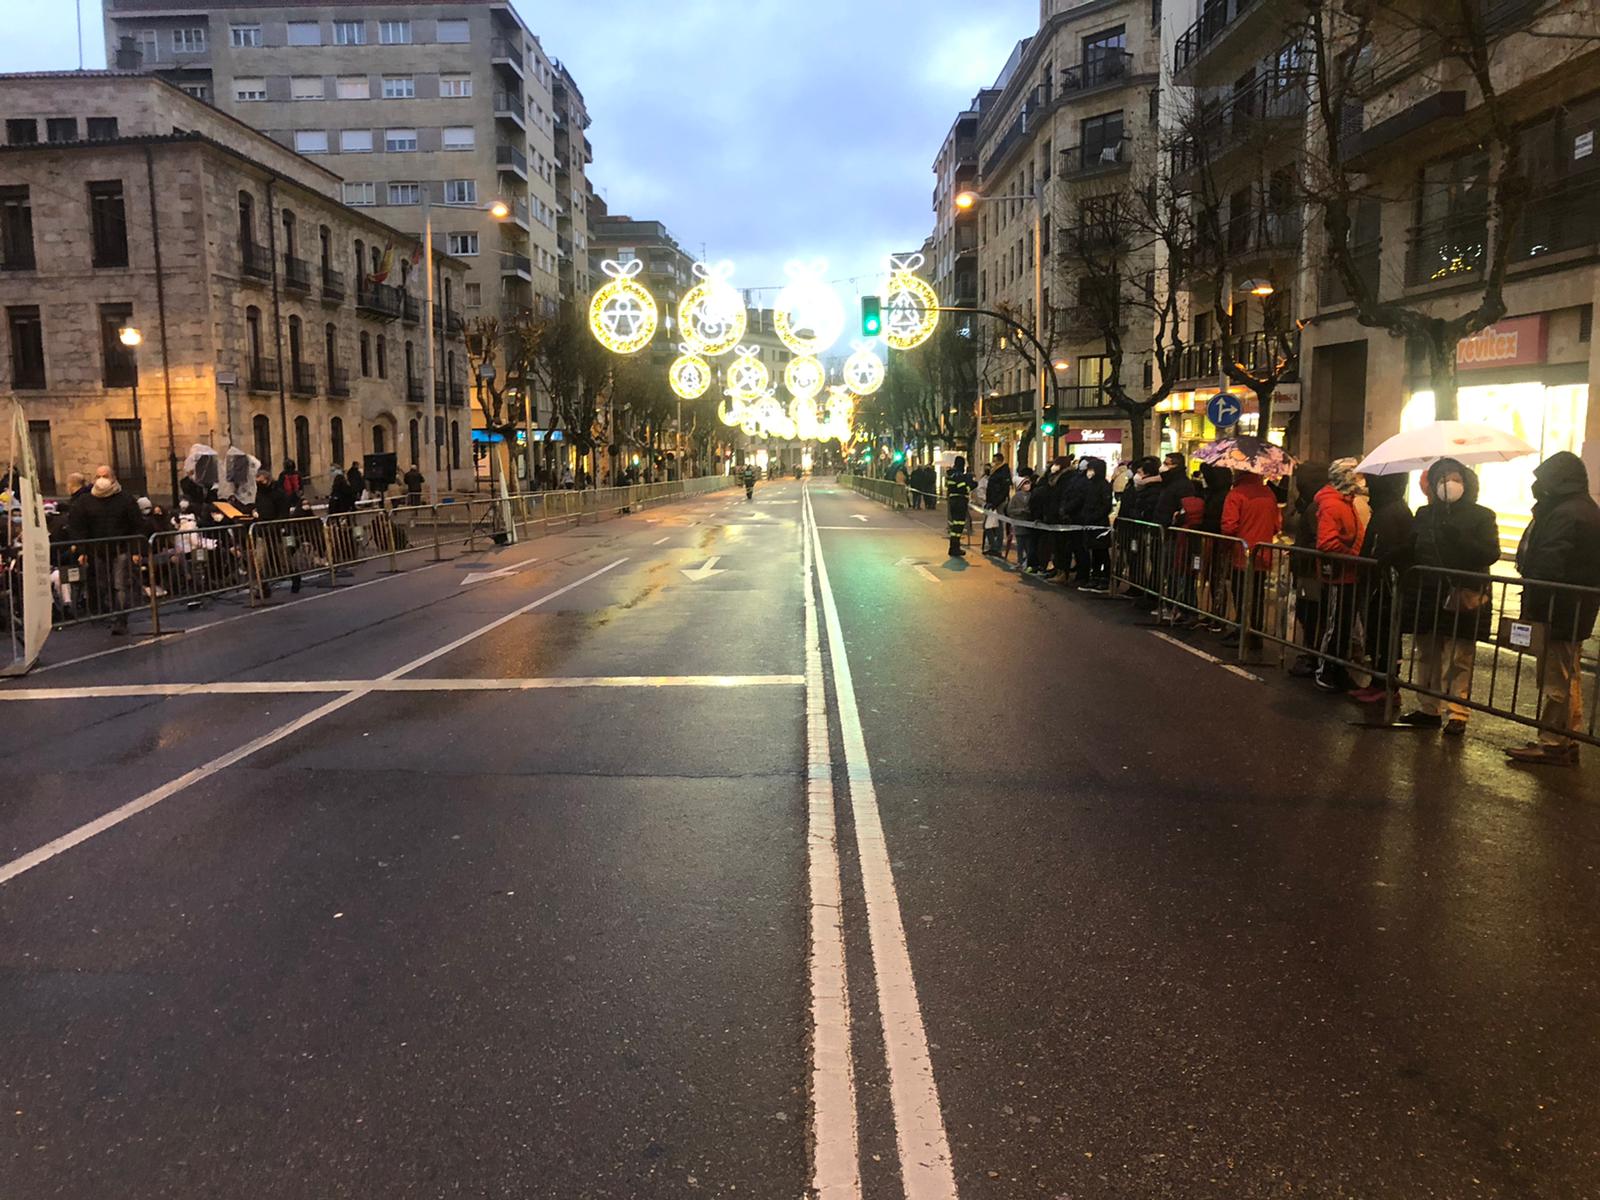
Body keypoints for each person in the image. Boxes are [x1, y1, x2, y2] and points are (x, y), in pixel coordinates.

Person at [1384, 458, 1500, 733]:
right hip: (1427, 593)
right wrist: (1394, 555)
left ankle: (1457, 713)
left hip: (1463, 593)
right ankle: (1429, 708)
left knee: (1459, 655)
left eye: (1456, 477)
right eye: (1442, 478)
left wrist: (1459, 537)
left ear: (1467, 482)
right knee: (1427, 653)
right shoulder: (1425, 514)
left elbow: (1490, 553)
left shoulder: (1482, 515)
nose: (1449, 483)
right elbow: (1415, 547)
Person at [1507, 451, 1600, 765]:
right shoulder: (1584, 509)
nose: (1537, 485)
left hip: (1558, 608)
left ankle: (1553, 741)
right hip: (1574, 608)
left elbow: (1549, 563)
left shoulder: (1565, 513)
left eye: (1541, 479)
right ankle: (1567, 736)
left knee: (1556, 679)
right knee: (1568, 674)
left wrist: (1534, 591)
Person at [1348, 471, 1414, 705]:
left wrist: (1377, 562)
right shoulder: (1389, 508)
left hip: (1387, 585)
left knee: (1385, 635)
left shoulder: (1393, 511)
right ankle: (1378, 682)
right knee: (1377, 634)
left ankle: (1386, 686)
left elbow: (1385, 547)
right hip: (1380, 583)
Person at [67, 465, 144, 634]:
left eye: (105, 475)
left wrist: (136, 550)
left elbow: (136, 525)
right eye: (98, 476)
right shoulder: (85, 502)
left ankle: (120, 619)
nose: (102, 479)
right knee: (104, 585)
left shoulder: (125, 499)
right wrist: (82, 551)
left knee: (120, 584)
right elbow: (79, 528)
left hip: (121, 549)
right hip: (98, 551)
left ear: (113, 478)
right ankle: (113, 613)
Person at [1311, 458, 1367, 692]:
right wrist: (1352, 554)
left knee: (1343, 626)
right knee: (1336, 625)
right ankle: (1326, 671)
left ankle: (1338, 668)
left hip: (1348, 573)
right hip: (1339, 574)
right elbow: (1327, 542)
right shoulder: (1333, 504)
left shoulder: (1345, 502)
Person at [1219, 469, 1282, 646]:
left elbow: (1229, 527)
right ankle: (1255, 632)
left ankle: (1241, 630)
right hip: (1263, 552)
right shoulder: (1269, 493)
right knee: (1257, 594)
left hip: (1242, 551)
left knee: (1240, 593)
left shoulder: (1236, 494)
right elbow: (1277, 525)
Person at [1286, 461, 1330, 676]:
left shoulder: (1318, 506)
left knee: (1311, 612)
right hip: (1308, 567)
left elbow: (1319, 539)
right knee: (1308, 612)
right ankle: (1312, 652)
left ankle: (1313, 655)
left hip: (1312, 570)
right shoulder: (1311, 504)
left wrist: (1301, 551)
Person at [1076, 456, 1114, 589]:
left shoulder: (1104, 485)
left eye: (1091, 469)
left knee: (1102, 552)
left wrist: (1094, 517)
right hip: (1090, 523)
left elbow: (1106, 506)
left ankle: (1104, 578)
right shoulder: (1090, 485)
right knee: (1094, 552)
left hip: (1099, 524)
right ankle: (1095, 575)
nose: (1089, 472)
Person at [945, 455, 973, 558]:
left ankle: (954, 547)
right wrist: (972, 484)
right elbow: (963, 489)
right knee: (958, 526)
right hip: (959, 502)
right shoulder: (959, 475)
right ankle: (955, 548)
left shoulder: (951, 474)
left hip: (953, 501)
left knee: (954, 527)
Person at [983, 455, 1011, 556]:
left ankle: (996, 548)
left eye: (994, 461)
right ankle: (994, 546)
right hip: (993, 502)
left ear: (999, 461)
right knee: (989, 525)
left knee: (996, 525)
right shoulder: (996, 471)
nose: (992, 463)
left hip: (998, 503)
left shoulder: (1003, 473)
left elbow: (1003, 490)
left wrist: (995, 503)